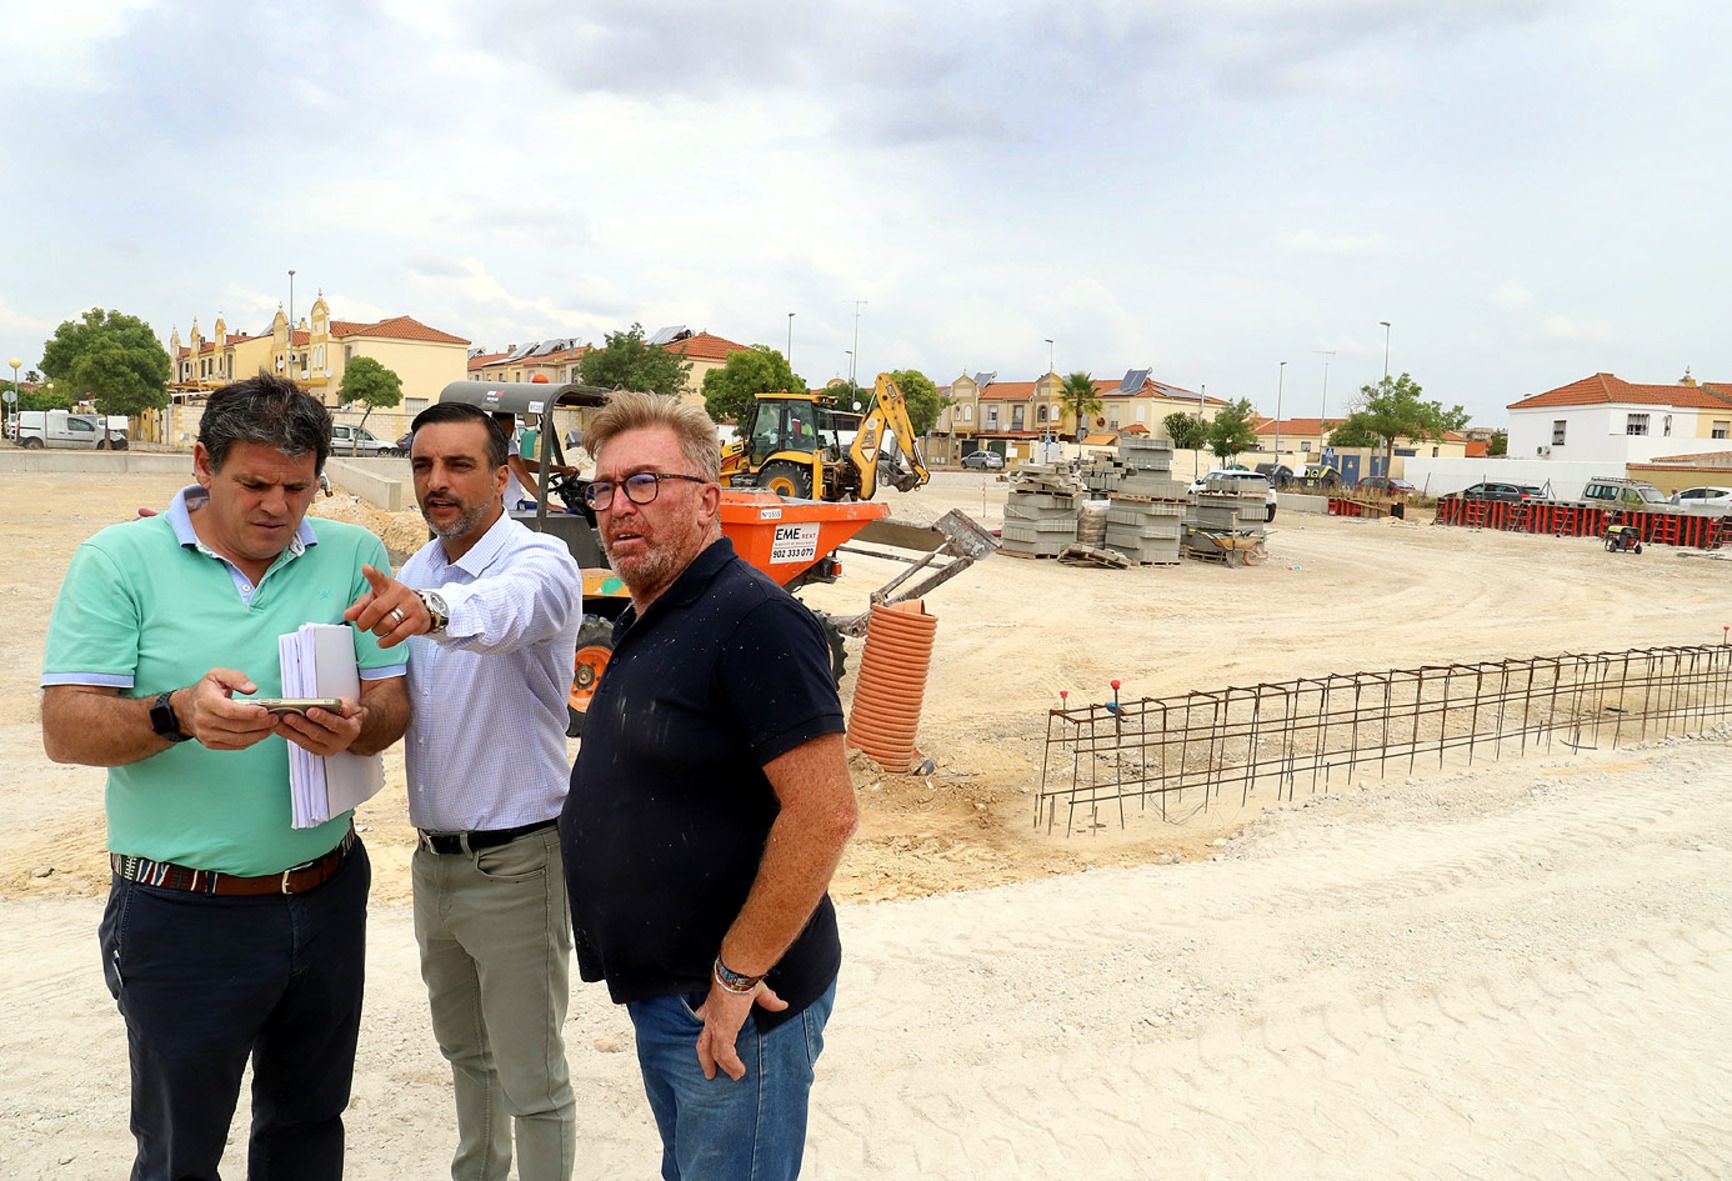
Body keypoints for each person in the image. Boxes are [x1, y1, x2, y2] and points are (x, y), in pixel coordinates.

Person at [39, 373, 411, 1181]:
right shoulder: (118, 560)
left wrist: (356, 725)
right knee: (180, 1152)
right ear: (203, 463)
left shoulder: (356, 554)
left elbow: (392, 702)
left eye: (298, 488)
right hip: (181, 913)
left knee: (308, 1128)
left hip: (326, 892)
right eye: (254, 484)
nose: (278, 507)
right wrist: (175, 714)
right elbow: (65, 727)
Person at [560, 391, 858, 1181]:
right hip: (672, 994)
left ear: (707, 499)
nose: (619, 506)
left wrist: (736, 975)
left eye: (645, 483)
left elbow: (825, 813)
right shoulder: (653, 615)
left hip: (731, 1007)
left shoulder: (754, 620)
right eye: (606, 487)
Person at [343, 401, 582, 1181]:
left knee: (533, 1080)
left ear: (504, 475)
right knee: (467, 1056)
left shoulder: (539, 563)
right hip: (433, 865)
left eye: (458, 465)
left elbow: (500, 613)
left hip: (517, 865)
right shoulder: (418, 571)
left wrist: (432, 611)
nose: (436, 482)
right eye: (422, 465)